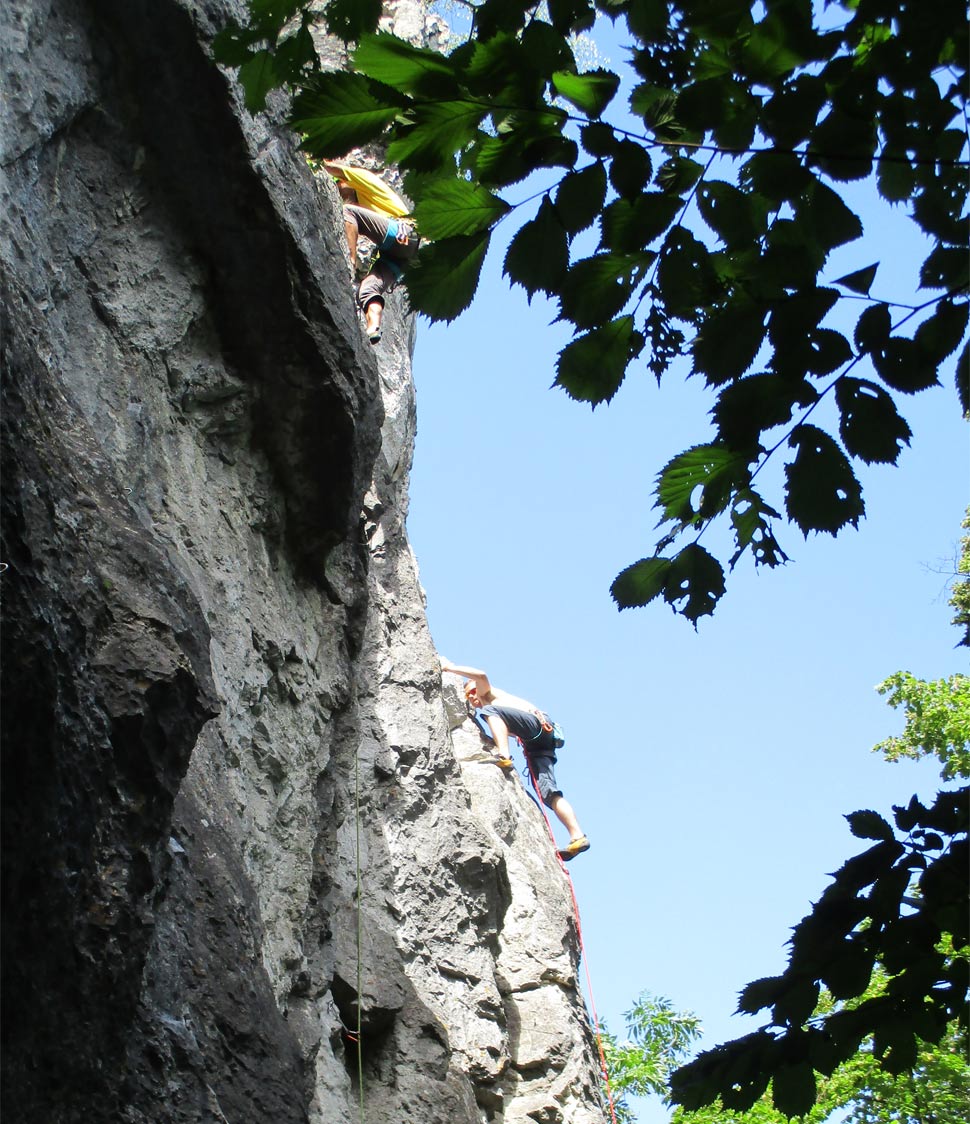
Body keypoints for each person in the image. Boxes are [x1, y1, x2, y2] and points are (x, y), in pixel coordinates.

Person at [439, 659, 590, 861]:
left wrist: (448, 668)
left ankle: (504, 755)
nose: (474, 697)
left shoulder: (489, 696)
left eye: (473, 691)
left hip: (537, 726)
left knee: (490, 711)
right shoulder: (501, 713)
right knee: (549, 793)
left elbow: (481, 675)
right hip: (540, 739)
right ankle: (577, 837)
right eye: (469, 696)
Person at [322, 160, 420, 344]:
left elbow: (330, 167)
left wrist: (314, 157)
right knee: (366, 291)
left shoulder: (364, 179)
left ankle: (349, 260)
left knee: (349, 212)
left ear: (347, 183)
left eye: (339, 187)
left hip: (404, 232)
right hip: (402, 256)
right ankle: (373, 328)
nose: (339, 192)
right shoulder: (368, 204)